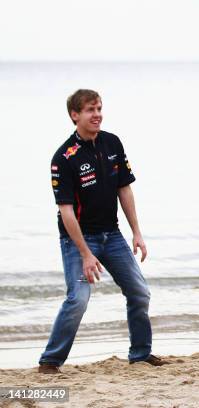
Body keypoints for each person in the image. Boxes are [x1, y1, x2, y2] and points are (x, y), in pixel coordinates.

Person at [39, 89, 168, 373]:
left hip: (113, 235)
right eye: (90, 110)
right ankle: (50, 360)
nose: (96, 114)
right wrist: (85, 253)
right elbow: (66, 211)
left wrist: (137, 232)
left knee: (139, 292)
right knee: (78, 299)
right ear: (75, 115)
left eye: (99, 109)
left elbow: (124, 188)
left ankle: (140, 354)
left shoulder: (112, 142)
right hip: (79, 241)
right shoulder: (63, 157)